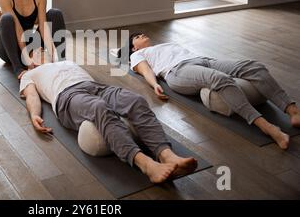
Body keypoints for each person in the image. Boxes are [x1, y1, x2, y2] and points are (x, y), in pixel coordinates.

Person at [19, 48, 198, 184]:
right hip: (67, 97)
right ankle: (146, 164)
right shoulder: (30, 74)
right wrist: (35, 115)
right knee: (98, 107)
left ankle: (167, 155)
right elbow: (32, 96)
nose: (42, 50)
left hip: (96, 87)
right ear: (30, 62)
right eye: (36, 51)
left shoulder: (66, 62)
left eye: (43, 48)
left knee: (135, 100)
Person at [124, 32, 300, 150]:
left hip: (204, 60)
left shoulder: (167, 44)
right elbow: (145, 70)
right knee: (220, 79)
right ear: (134, 48)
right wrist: (154, 85)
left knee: (255, 66)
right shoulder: (137, 55)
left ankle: (293, 111)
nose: (142, 35)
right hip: (177, 72)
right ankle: (267, 127)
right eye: (138, 37)